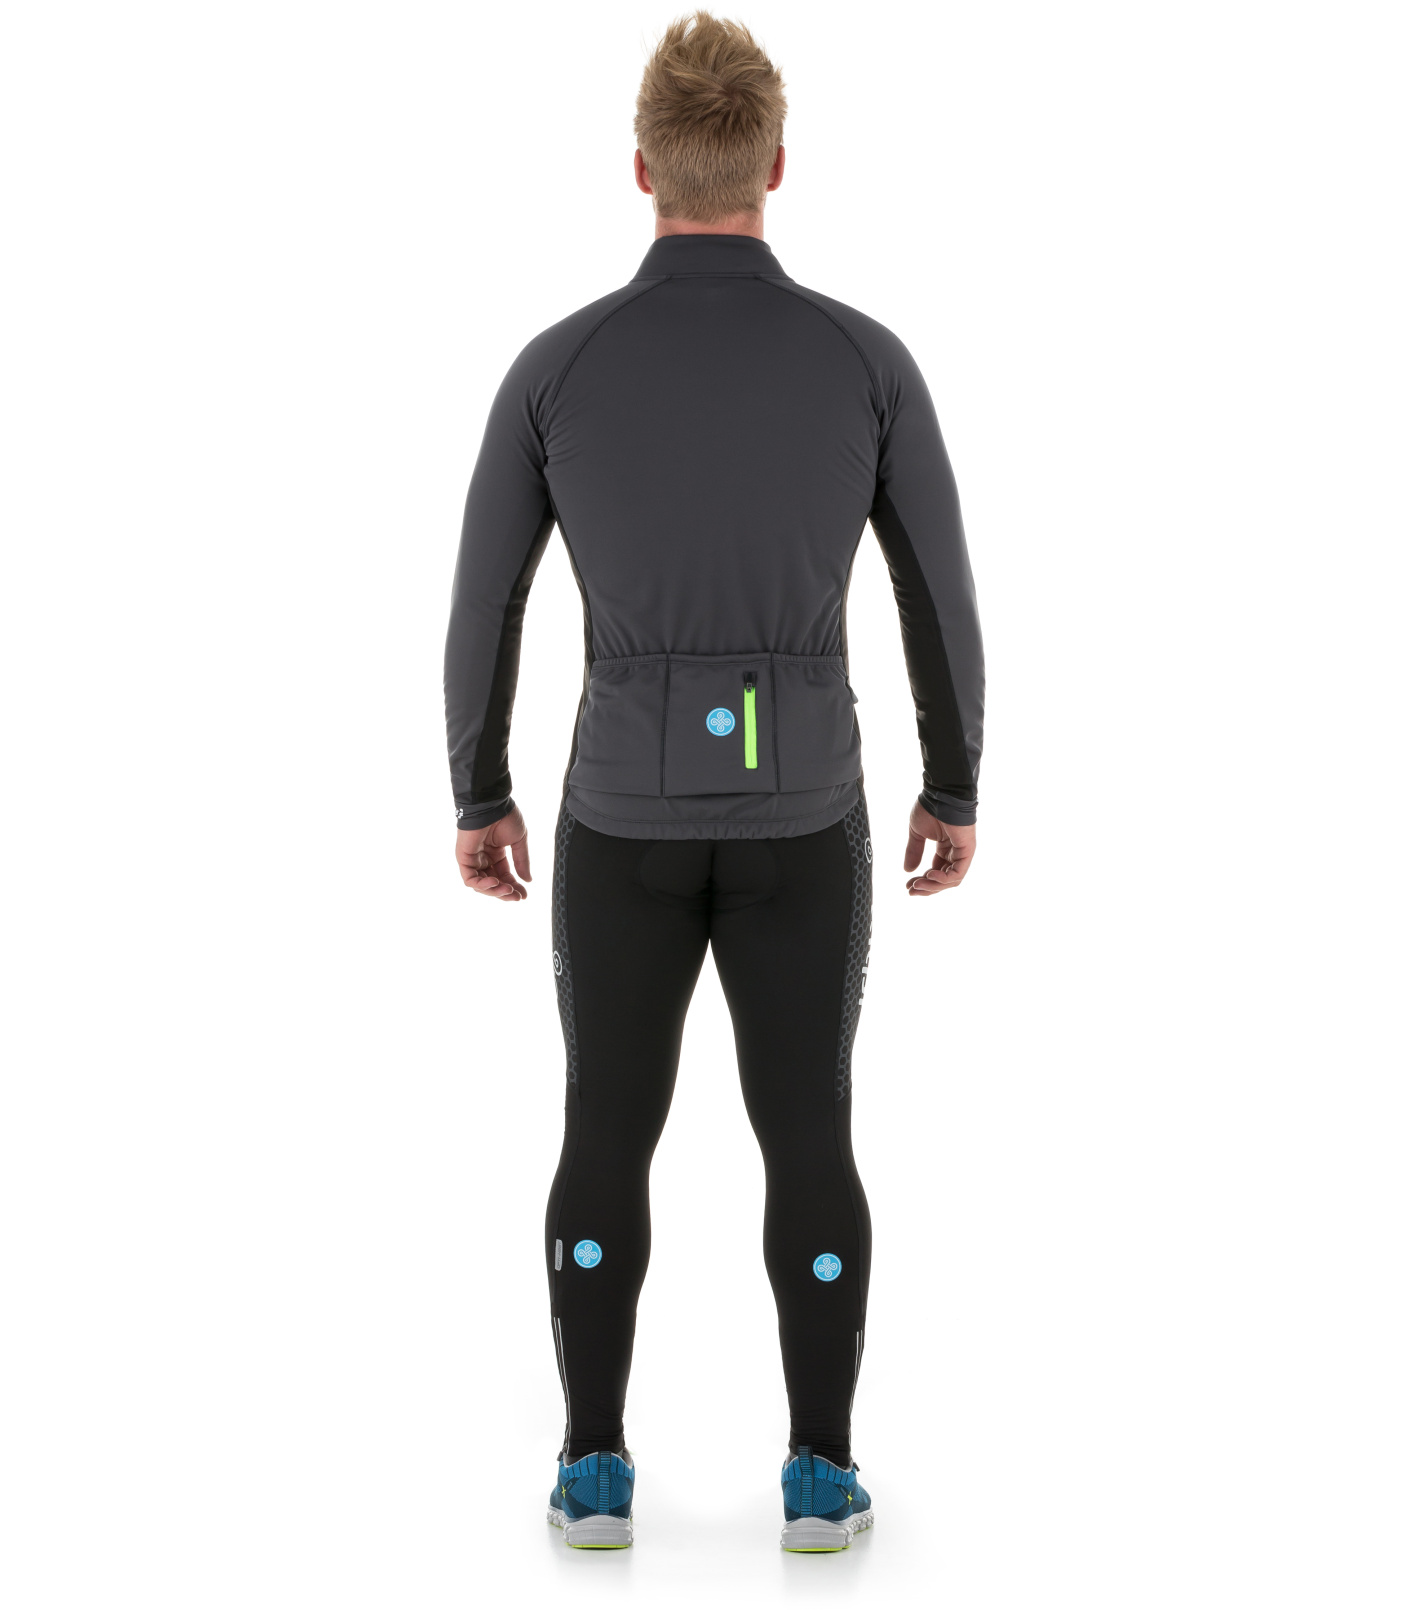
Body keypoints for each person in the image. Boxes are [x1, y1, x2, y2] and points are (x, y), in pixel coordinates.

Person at [444, 11, 983, 1553]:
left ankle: (591, 1469)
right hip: (805, 815)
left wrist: (479, 791)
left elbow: (486, 603)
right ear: (777, 166)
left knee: (603, 1128)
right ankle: (821, 1472)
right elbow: (938, 593)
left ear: (640, 170)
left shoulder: (556, 369)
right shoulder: (865, 362)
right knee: (810, 1129)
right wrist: (954, 782)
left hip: (619, 818)